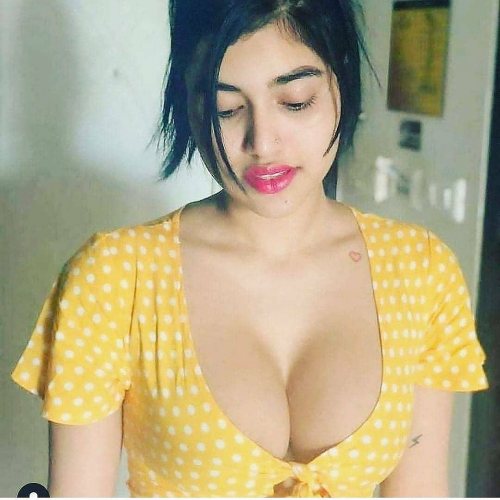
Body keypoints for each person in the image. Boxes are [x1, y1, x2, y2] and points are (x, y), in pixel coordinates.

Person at [11, 0, 489, 497]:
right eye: (226, 109)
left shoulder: (421, 269)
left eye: (296, 101)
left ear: (341, 83)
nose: (263, 142)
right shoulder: (112, 278)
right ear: (190, 104)